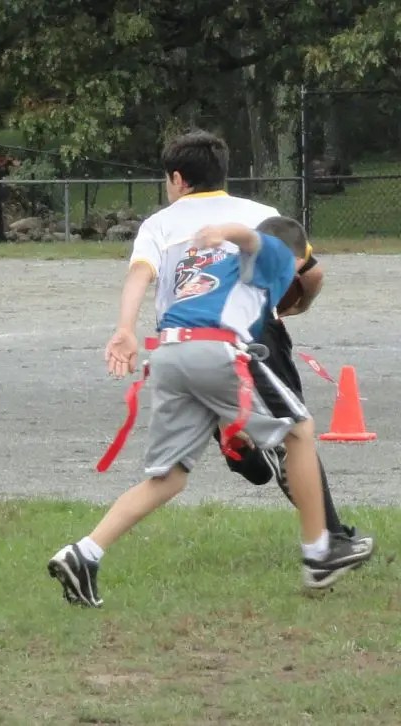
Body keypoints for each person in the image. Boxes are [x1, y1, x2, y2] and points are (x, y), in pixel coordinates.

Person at [46, 131, 371, 607]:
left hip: (168, 351)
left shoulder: (163, 226)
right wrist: (233, 233)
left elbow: (142, 274)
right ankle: (320, 550)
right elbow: (279, 255)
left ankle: (85, 552)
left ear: (178, 179)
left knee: (169, 476)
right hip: (222, 350)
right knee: (299, 430)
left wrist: (125, 330)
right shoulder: (268, 238)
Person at [210, 217, 372, 552]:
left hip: (188, 342)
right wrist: (296, 306)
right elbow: (312, 273)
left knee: (222, 444)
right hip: (255, 333)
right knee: (294, 434)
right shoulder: (263, 217)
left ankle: (237, 445)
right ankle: (329, 538)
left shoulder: (166, 223)